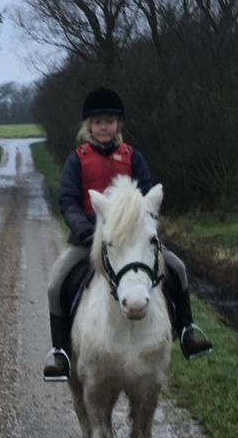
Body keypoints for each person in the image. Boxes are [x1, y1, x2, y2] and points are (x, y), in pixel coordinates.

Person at [43, 85, 212, 382]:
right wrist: (84, 231)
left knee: (178, 268)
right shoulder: (77, 159)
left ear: (118, 124)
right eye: (98, 122)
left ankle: (187, 331)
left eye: (109, 121)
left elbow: (147, 197)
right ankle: (61, 353)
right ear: (88, 126)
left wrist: (144, 229)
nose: (104, 127)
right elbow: (68, 201)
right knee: (56, 283)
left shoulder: (133, 157)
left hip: (132, 241)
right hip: (92, 241)